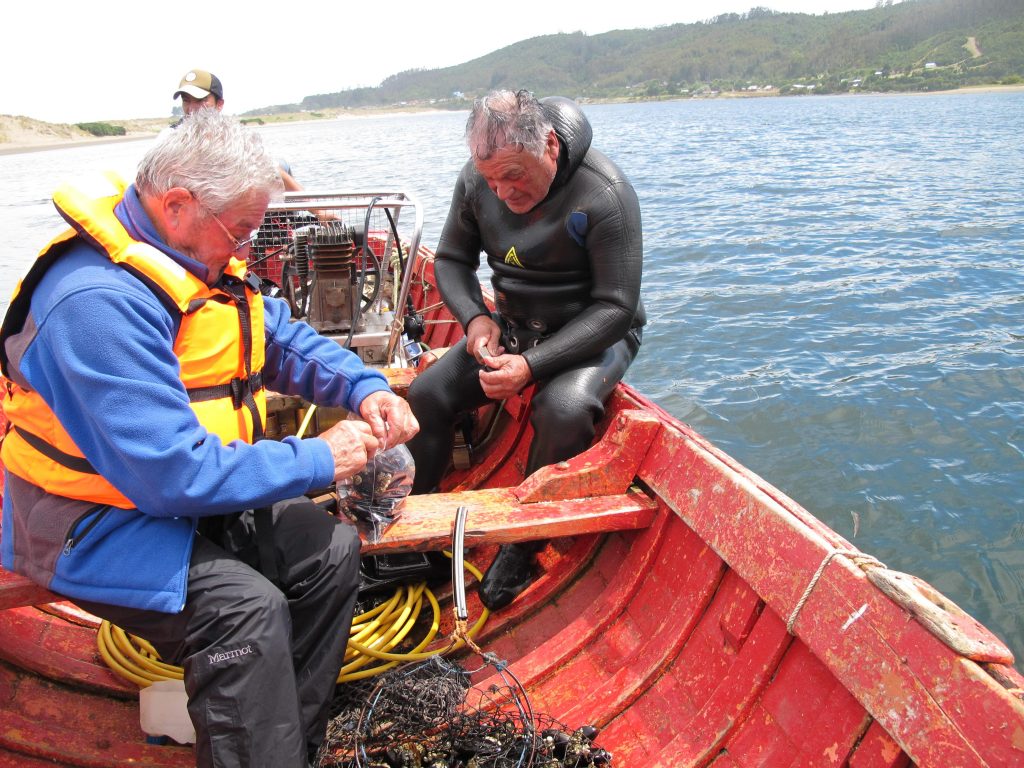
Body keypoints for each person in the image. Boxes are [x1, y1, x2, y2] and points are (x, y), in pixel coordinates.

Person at [0, 109, 418, 768]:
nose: (249, 251)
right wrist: (319, 457)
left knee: (330, 553)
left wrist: (363, 388)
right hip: (88, 518)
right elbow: (170, 476)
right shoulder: (93, 305)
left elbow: (274, 335)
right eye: (244, 232)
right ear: (176, 206)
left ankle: (283, 747)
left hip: (185, 493)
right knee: (242, 614)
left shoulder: (195, 259)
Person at [405, 89, 645, 611]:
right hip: (510, 327)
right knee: (425, 394)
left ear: (550, 146)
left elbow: (616, 307)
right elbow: (450, 260)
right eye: (492, 179)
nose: (502, 191)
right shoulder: (478, 180)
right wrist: (475, 320)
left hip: (591, 335)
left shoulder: (604, 194)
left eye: (514, 176)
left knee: (562, 410)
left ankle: (522, 547)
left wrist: (532, 367)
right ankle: (418, 525)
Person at [171, 68, 303, 191]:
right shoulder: (170, 139)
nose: (192, 108)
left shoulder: (232, 137)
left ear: (219, 104)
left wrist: (319, 212)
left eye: (200, 100)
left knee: (278, 165)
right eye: (186, 100)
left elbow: (270, 170)